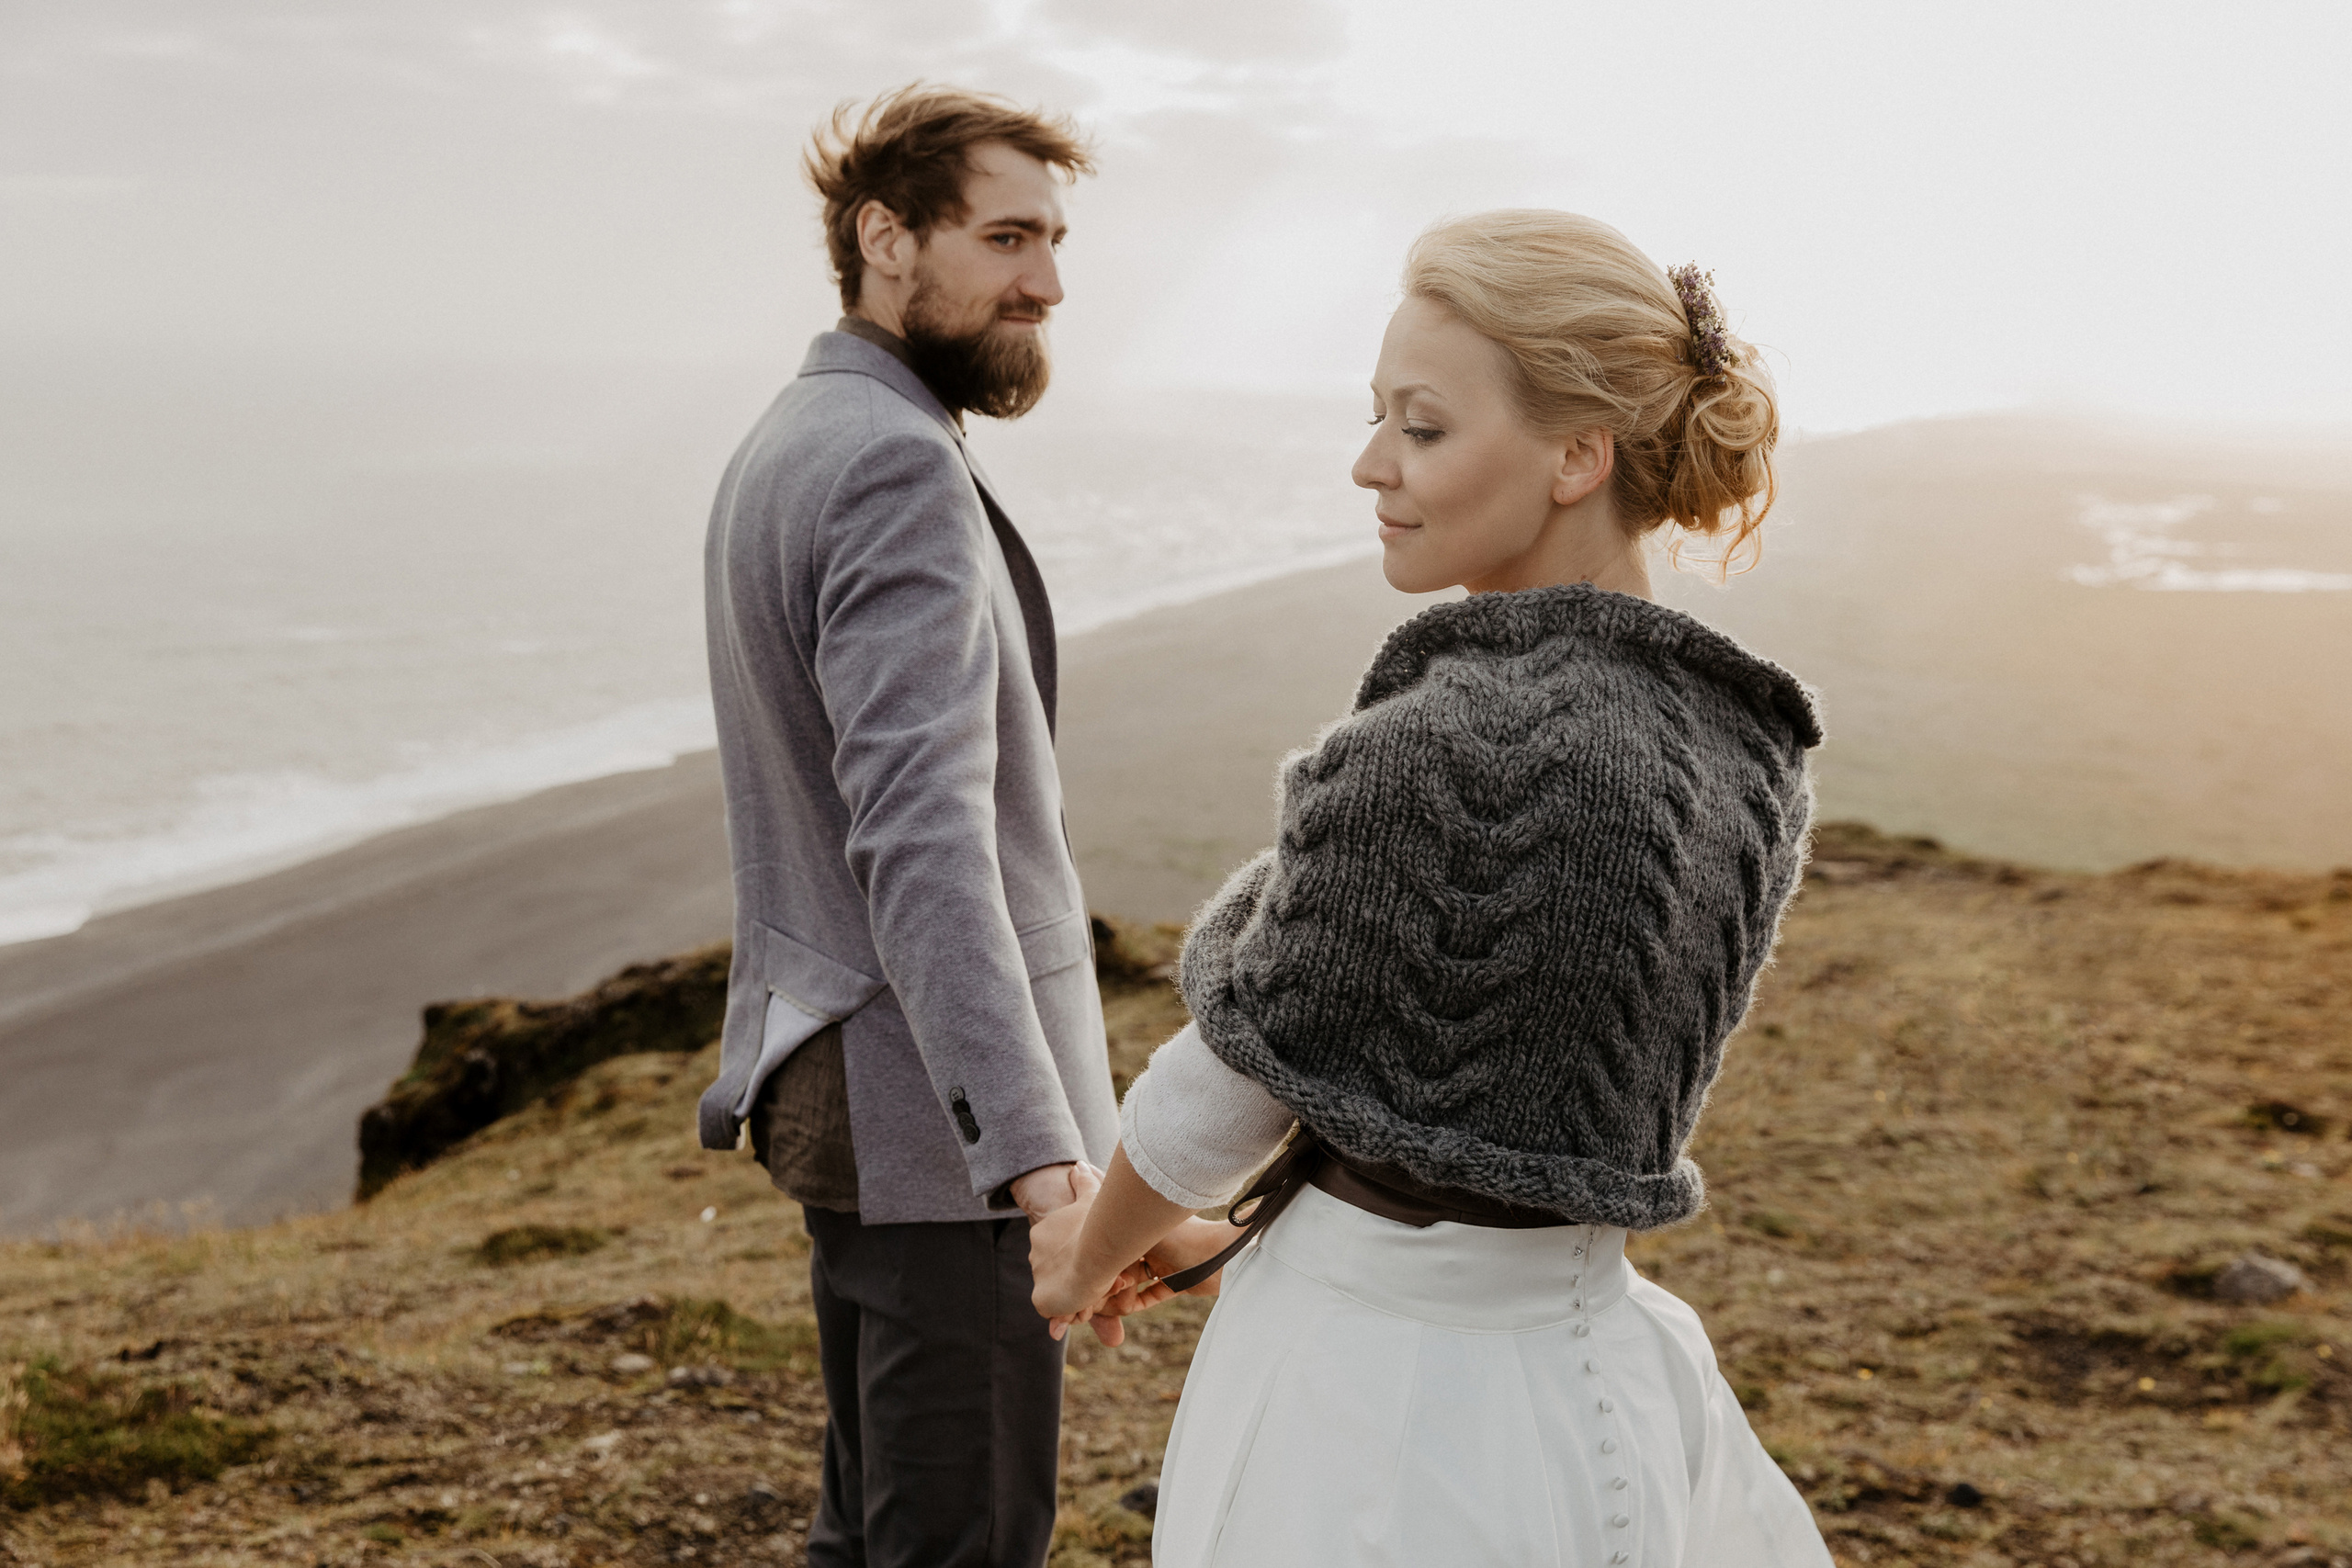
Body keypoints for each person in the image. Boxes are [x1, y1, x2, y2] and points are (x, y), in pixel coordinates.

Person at [1029, 211, 1838, 1566]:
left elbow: (1231, 1079)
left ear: (1581, 454)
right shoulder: (1741, 749)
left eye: (1422, 427)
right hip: (1598, 1383)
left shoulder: (1440, 750)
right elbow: (1482, 1097)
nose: (1370, 465)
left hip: (1385, 1418)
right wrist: (1219, 1229)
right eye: (1378, 420)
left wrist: (1092, 1246)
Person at [695, 85, 1157, 1568]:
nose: (1048, 283)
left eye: (1055, 239)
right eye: (1008, 236)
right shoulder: (892, 462)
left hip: (856, 1087)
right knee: (954, 1535)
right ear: (885, 238)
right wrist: (1037, 1166)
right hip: (936, 1127)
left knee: (878, 1521)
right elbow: (924, 843)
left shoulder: (796, 431)